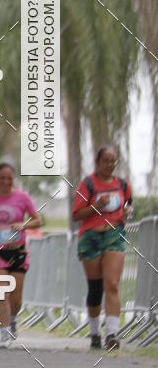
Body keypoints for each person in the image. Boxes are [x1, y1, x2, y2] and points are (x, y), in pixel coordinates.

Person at [72, 145, 133, 351]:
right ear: (97, 163)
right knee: (96, 289)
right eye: (105, 160)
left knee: (112, 284)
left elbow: (128, 208)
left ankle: (112, 334)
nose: (110, 164)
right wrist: (97, 206)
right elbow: (76, 215)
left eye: (113, 160)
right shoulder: (88, 184)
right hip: (91, 237)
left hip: (114, 234)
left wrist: (127, 212)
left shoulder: (123, 185)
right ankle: (95, 332)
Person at [0, 163, 41, 346]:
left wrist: (24, 225)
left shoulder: (23, 198)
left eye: (9, 178)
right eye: (2, 178)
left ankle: (12, 319)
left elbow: (37, 221)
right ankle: (4, 333)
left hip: (17, 251)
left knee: (16, 297)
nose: (5, 181)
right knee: (2, 290)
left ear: (13, 179)